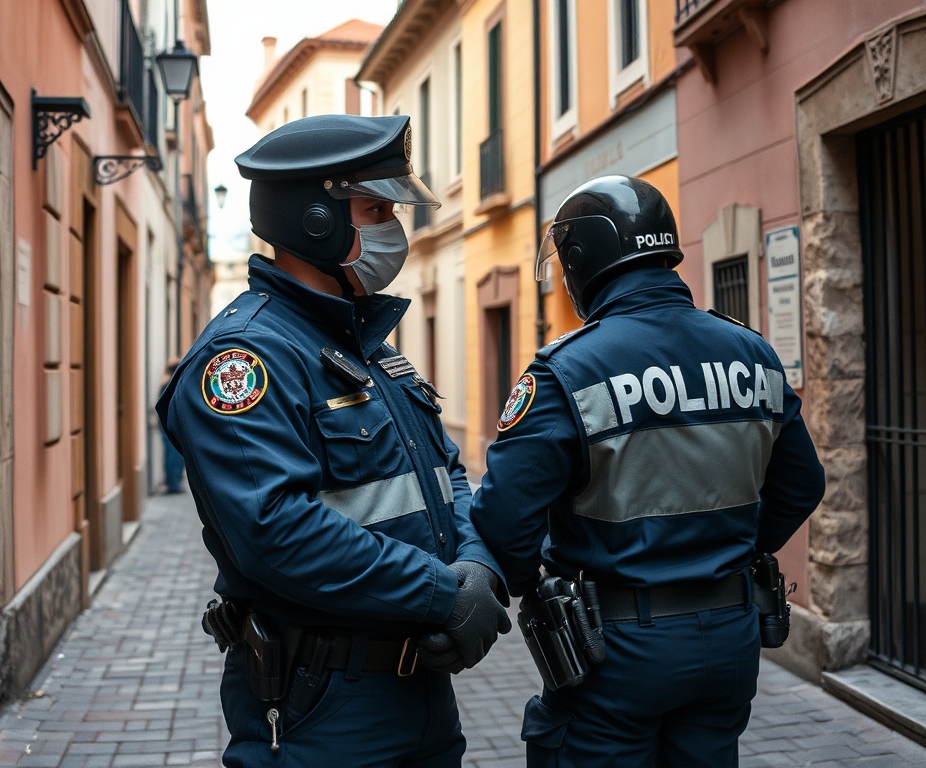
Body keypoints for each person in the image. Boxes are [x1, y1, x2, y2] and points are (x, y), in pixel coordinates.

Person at [155, 113, 511, 767]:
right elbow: (275, 529)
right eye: (376, 210)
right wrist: (442, 592)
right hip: (321, 706)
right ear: (314, 220)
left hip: (421, 693)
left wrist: (477, 566)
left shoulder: (366, 346)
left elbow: (446, 473)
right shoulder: (245, 359)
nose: (393, 228)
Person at [469, 175, 825, 767]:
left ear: (582, 261)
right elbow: (803, 484)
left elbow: (505, 521)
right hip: (731, 637)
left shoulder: (567, 370)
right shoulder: (753, 354)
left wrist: (537, 582)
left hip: (615, 648)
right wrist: (730, 552)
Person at [159, 357, 185, 493]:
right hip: (172, 426)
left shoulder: (166, 382)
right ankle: (174, 484)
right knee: (174, 455)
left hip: (169, 425)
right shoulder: (170, 384)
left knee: (173, 455)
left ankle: (174, 482)